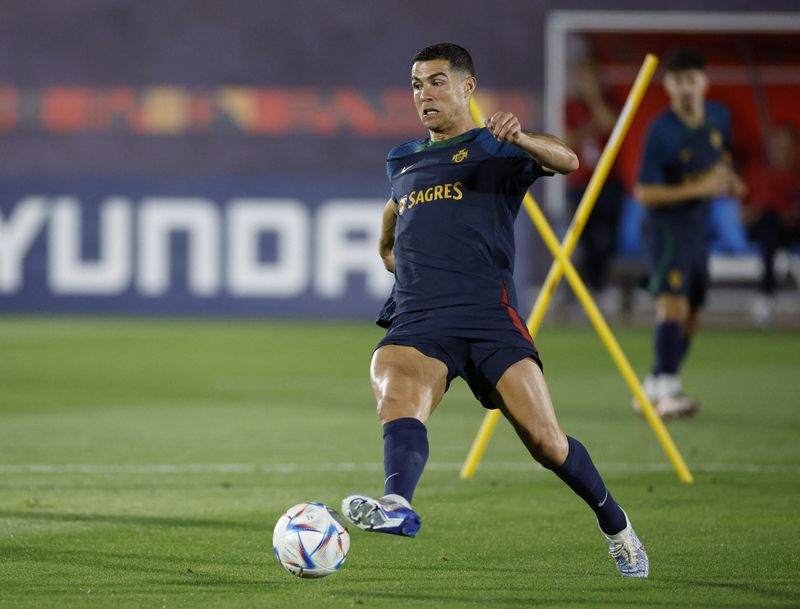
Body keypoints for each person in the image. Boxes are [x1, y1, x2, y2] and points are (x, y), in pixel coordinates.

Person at [341, 43, 648, 579]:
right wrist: (388, 246)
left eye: (437, 81)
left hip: (488, 317)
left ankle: (616, 523)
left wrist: (522, 137)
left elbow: (569, 160)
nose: (425, 93)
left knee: (547, 443)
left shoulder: (498, 148)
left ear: (467, 87)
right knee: (395, 394)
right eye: (416, 84)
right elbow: (396, 206)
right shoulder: (402, 158)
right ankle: (397, 503)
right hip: (420, 316)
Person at [634, 49, 745, 418]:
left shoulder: (718, 117)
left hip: (698, 228)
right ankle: (668, 390)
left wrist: (730, 181)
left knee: (694, 312)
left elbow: (722, 158)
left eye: (691, 80)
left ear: (703, 83)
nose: (685, 88)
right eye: (677, 81)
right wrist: (700, 189)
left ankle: (653, 385)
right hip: (665, 227)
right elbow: (644, 192)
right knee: (673, 303)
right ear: (667, 86)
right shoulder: (661, 131)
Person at [564, 50, 625, 305]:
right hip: (580, 182)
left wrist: (594, 97)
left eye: (591, 74)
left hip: (609, 181)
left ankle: (602, 286)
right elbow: (568, 139)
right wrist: (591, 130)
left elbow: (611, 124)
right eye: (582, 74)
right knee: (585, 237)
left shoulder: (609, 100)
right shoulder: (569, 105)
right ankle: (588, 289)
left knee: (609, 237)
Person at [742, 123, 800, 327]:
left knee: (773, 223)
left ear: (794, 148)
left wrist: (789, 214)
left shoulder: (795, 175)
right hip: (762, 228)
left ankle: (766, 295)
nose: (780, 150)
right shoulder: (757, 173)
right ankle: (766, 298)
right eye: (776, 145)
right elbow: (742, 214)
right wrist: (762, 208)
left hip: (792, 229)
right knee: (769, 221)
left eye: (785, 146)